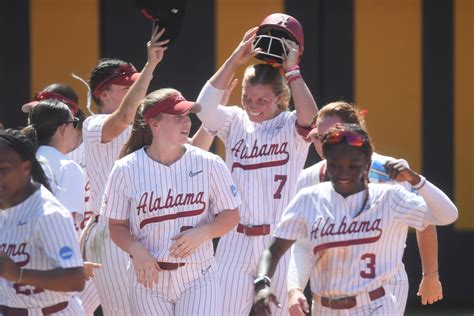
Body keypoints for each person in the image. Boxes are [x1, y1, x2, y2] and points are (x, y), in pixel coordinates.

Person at [252, 124, 458, 316]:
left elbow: (447, 215)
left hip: (375, 305)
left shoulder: (389, 197)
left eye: (353, 166)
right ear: (326, 162)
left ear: (367, 163)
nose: (343, 173)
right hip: (325, 307)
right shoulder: (309, 198)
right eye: (335, 165)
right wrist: (272, 285)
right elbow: (276, 248)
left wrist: (417, 180)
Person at [195, 20, 318, 315]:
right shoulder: (235, 121)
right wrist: (236, 57)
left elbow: (310, 117)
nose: (253, 104)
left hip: (279, 241)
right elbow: (203, 107)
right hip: (235, 240)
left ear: (280, 98)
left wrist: (292, 70)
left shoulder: (290, 126)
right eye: (247, 98)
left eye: (262, 99)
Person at [289, 101, 443, 314]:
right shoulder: (308, 178)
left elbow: (424, 222)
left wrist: (431, 275)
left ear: (355, 133)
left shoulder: (389, 170)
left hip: (384, 287)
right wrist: (295, 288)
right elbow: (303, 243)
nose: (323, 143)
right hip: (329, 294)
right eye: (318, 136)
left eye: (332, 135)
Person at [101, 87, 241, 315]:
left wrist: (204, 232)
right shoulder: (125, 169)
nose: (186, 122)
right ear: (154, 124)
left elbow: (231, 214)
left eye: (187, 116)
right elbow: (116, 226)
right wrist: (135, 249)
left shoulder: (209, 163)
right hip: (148, 277)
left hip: (198, 275)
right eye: (178, 117)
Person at [0, 129, 85, 314]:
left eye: (3, 169)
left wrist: (18, 275)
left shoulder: (49, 214)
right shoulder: (5, 205)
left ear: (25, 168)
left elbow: (75, 279)